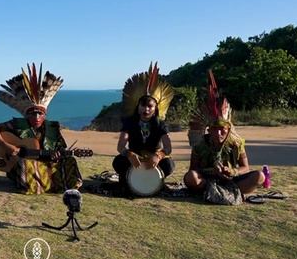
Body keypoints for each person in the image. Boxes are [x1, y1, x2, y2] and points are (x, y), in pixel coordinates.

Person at [0, 63, 82, 194]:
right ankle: (37, 185)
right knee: (25, 164)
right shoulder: (17, 124)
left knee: (69, 160)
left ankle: (59, 185)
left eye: (40, 114)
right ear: (27, 114)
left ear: (45, 115)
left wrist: (58, 154)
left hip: (45, 162)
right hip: (21, 164)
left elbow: (60, 148)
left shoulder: (52, 128)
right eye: (33, 113)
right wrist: (5, 144)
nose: (37, 117)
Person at [184, 71, 265, 197]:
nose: (218, 132)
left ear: (228, 129)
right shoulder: (200, 145)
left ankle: (225, 190)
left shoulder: (236, 143)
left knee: (260, 176)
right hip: (207, 181)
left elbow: (245, 167)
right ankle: (214, 190)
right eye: (214, 129)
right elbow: (192, 170)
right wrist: (212, 171)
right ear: (208, 130)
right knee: (190, 178)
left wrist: (232, 171)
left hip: (231, 180)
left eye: (222, 129)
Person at [112, 62, 175, 195]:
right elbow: (120, 146)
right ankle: (130, 181)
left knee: (169, 165)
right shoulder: (129, 123)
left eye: (150, 106)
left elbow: (168, 148)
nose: (146, 109)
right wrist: (129, 154)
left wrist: (158, 156)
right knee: (118, 162)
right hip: (135, 159)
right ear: (138, 106)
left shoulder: (160, 124)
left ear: (155, 108)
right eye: (143, 105)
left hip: (154, 159)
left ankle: (155, 182)